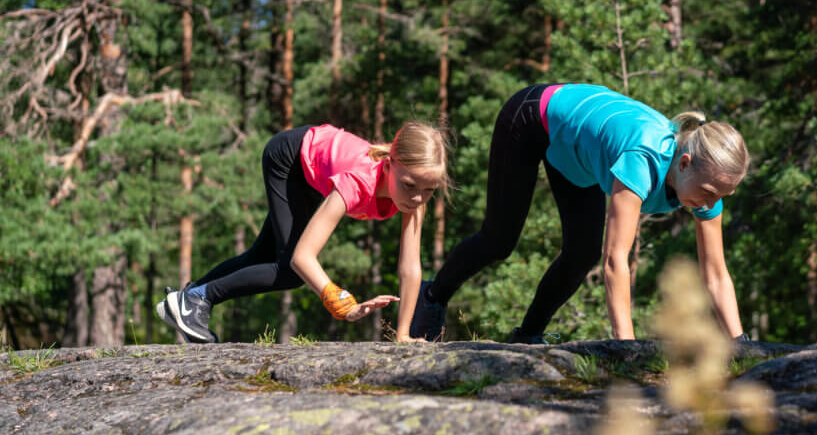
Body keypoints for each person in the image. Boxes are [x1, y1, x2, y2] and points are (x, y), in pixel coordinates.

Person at [410, 83, 748, 344]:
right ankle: (431, 297)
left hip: (576, 154)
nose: (711, 204)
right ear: (684, 163)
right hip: (531, 118)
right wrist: (626, 347)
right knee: (499, 240)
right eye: (708, 193)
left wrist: (740, 344)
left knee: (582, 253)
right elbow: (615, 260)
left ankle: (527, 336)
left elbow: (716, 274)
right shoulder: (642, 158)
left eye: (721, 196)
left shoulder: (707, 186)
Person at [157, 121, 449, 344]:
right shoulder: (358, 182)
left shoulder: (413, 197)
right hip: (289, 159)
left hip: (311, 176)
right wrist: (343, 305)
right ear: (388, 166)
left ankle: (188, 299)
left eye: (429, 190)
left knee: (261, 256)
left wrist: (403, 334)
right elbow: (303, 257)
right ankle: (194, 300)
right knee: (290, 271)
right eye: (409, 185)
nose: (417, 198)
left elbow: (410, 268)